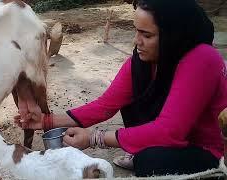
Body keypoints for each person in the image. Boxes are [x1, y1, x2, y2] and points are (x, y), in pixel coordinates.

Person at [14, 0, 227, 177]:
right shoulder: (143, 63)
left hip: (207, 149)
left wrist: (95, 138)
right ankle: (143, 147)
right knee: (134, 99)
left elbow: (169, 131)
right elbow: (105, 106)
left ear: (174, 34)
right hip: (174, 139)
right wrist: (45, 120)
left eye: (147, 35)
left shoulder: (201, 59)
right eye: (137, 31)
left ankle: (149, 152)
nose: (137, 41)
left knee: (149, 162)